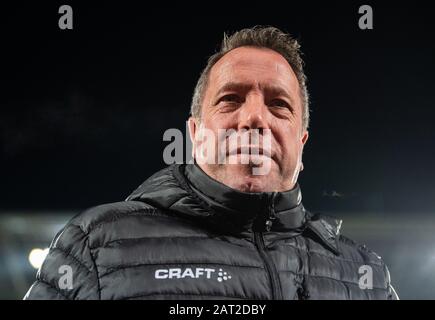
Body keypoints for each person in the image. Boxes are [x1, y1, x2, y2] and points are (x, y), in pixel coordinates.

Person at [24, 26, 398, 300]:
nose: (255, 118)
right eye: (231, 99)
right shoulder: (96, 246)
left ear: (301, 144)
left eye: (279, 105)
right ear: (196, 133)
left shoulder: (367, 275)